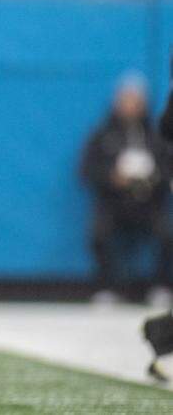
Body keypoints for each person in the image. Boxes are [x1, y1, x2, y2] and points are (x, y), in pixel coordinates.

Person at [81, 72, 173, 304]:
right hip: (114, 203)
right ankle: (107, 288)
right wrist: (112, 178)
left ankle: (160, 286)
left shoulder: (157, 136)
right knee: (99, 233)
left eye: (136, 101)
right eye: (126, 100)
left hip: (149, 203)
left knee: (167, 233)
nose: (131, 106)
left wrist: (152, 180)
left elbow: (166, 168)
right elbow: (88, 169)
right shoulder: (103, 135)